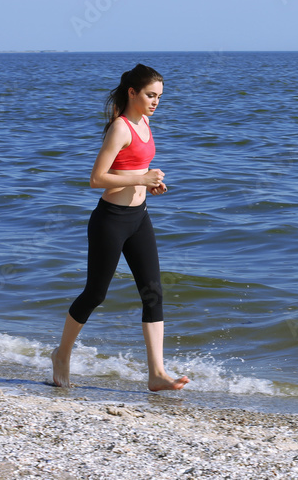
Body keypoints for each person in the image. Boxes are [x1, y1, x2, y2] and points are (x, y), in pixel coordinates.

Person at [51, 63, 189, 391]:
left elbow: (131, 169)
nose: (156, 102)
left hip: (139, 216)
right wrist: (142, 177)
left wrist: (148, 185)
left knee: (153, 293)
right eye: (150, 95)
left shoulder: (145, 123)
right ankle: (62, 354)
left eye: (159, 97)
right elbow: (97, 179)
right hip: (111, 221)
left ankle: (156, 373)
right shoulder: (121, 128)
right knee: (95, 294)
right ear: (132, 92)